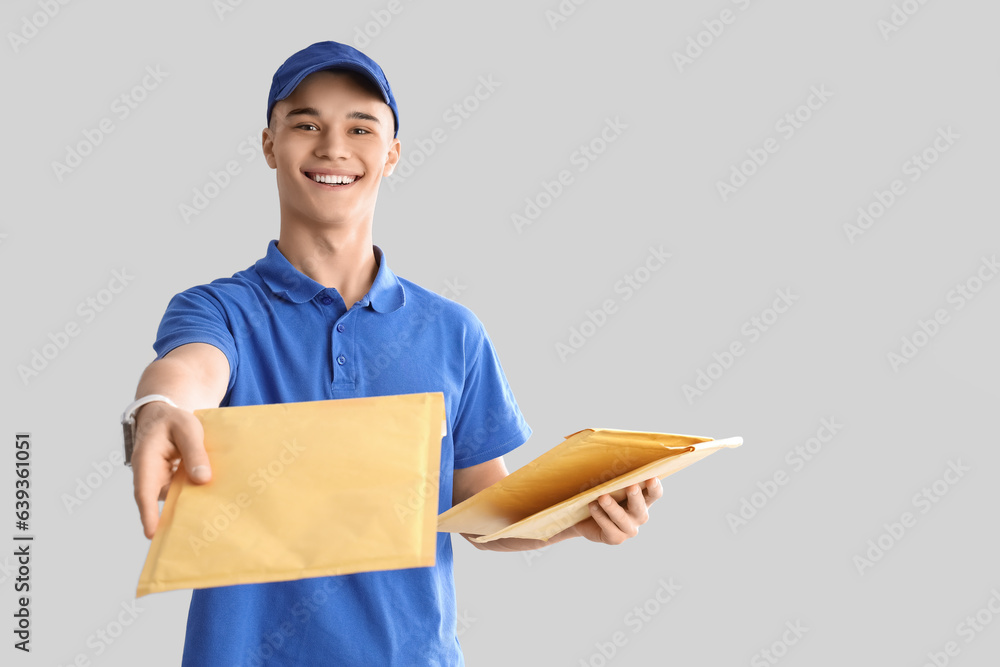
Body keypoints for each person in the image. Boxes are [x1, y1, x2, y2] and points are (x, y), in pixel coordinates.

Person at [124, 40, 663, 666]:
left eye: (361, 126)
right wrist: (160, 405)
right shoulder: (220, 310)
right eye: (306, 124)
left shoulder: (453, 332)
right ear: (269, 145)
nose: (333, 146)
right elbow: (191, 368)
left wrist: (570, 519)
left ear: (392, 154)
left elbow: (479, 509)